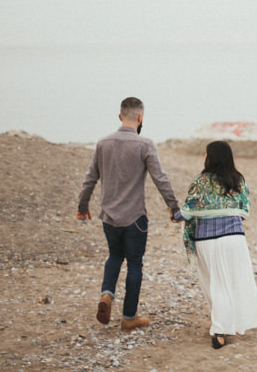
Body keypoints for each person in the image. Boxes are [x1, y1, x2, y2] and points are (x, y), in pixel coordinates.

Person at [77, 97, 181, 332]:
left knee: (114, 256)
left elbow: (90, 179)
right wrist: (174, 207)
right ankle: (128, 317)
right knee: (135, 264)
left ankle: (106, 294)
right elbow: (160, 179)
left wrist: (83, 207)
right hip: (135, 217)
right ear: (140, 118)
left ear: (120, 116)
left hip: (109, 217)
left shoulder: (103, 143)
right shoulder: (145, 144)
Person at [176, 140, 257, 349]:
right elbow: (245, 210)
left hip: (207, 240)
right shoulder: (238, 179)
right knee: (232, 283)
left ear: (210, 157)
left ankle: (219, 330)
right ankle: (224, 324)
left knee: (215, 285)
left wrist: (176, 215)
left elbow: (188, 211)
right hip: (234, 239)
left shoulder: (201, 181)